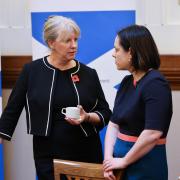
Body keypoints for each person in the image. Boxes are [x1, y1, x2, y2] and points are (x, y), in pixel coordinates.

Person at [0, 15, 111, 180]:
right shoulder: (31, 71)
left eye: (76, 40)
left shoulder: (89, 74)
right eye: (67, 40)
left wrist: (86, 117)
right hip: (48, 152)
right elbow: (12, 109)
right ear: (51, 43)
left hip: (86, 150)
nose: (74, 45)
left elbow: (105, 111)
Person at [103, 25, 172, 180]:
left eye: (117, 49)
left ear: (131, 52)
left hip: (145, 165)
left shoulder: (155, 83)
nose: (113, 55)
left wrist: (124, 161)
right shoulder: (127, 82)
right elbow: (114, 124)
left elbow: (153, 133)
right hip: (118, 164)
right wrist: (109, 160)